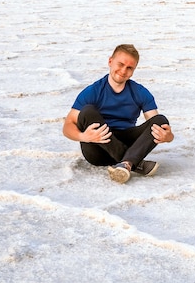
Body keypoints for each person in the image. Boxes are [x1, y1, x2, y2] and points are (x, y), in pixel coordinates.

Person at [63, 44, 174, 183]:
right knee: (88, 111)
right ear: (110, 61)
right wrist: (83, 136)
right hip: (98, 146)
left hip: (127, 139)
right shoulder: (93, 91)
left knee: (160, 121)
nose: (123, 71)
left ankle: (125, 164)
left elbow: (154, 125)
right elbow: (67, 126)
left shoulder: (140, 92)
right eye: (120, 64)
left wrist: (168, 137)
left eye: (129, 68)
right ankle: (133, 162)